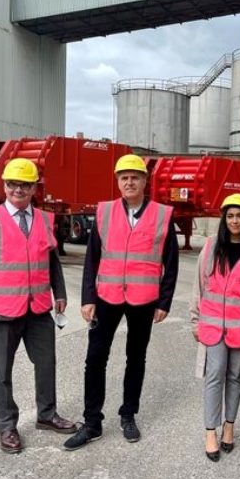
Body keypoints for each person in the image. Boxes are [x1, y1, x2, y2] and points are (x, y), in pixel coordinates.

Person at [65, 154, 178, 450]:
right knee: (95, 358)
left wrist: (164, 301)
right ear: (117, 181)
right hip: (107, 297)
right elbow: (92, 258)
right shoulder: (104, 212)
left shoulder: (163, 215)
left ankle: (128, 414)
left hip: (143, 298)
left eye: (135, 177)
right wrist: (88, 297)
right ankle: (92, 422)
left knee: (135, 358)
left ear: (145, 181)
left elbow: (171, 261)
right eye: (124, 177)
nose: (129, 182)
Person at [0, 157, 76, 454]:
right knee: (1, 371)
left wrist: (60, 292)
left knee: (47, 363)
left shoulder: (44, 219)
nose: (18, 189)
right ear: (4, 185)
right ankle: (6, 425)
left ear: (33, 188)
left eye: (24, 185)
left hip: (38, 308)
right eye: (13, 184)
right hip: (1, 311)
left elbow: (51, 259)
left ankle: (47, 414)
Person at [189, 193, 240, 462]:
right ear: (224, 219)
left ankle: (229, 426)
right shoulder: (211, 247)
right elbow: (198, 286)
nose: (234, 220)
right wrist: (195, 319)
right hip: (212, 327)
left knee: (236, 377)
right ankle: (210, 432)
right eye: (230, 216)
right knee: (215, 376)